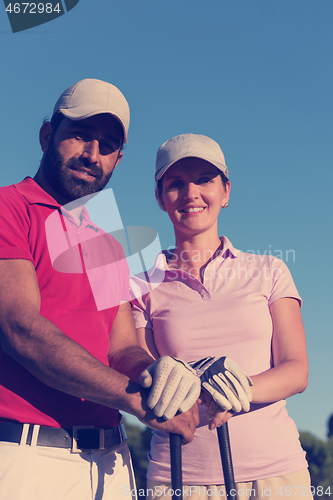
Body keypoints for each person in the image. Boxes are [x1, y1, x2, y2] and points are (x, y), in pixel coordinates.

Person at [0, 81, 200, 500]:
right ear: (45, 136)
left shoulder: (108, 241)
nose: (92, 154)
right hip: (24, 457)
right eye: (80, 135)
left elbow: (122, 347)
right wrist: (138, 400)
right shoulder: (9, 207)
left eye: (107, 145)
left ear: (118, 159)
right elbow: (20, 327)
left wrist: (158, 378)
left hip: (111, 463)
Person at [130, 133, 312, 500]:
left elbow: (296, 370)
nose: (191, 193)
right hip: (177, 479)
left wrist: (235, 389)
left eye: (205, 179)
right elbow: (141, 379)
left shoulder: (270, 270)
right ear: (160, 198)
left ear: (226, 192)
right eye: (176, 183)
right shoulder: (138, 285)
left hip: (277, 476)